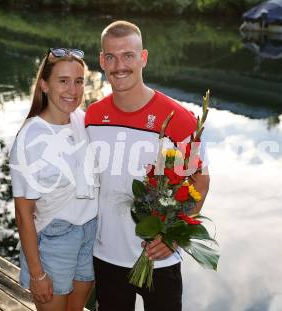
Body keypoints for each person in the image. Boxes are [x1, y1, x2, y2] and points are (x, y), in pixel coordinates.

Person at [85, 21, 210, 311]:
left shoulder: (179, 119)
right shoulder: (92, 116)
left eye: (128, 55)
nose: (119, 66)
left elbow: (200, 182)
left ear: (143, 58)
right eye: (111, 57)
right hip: (106, 256)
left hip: (159, 258)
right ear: (102, 61)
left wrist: (172, 236)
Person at [9, 48, 98, 311]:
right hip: (54, 238)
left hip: (89, 231)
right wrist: (37, 274)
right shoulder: (31, 137)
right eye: (63, 81)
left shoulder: (83, 121)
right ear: (44, 85)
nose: (73, 89)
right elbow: (24, 215)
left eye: (79, 81)